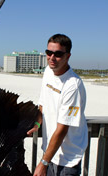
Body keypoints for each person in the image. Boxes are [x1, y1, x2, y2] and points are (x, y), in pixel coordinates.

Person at [27, 34, 88, 176]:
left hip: (67, 158)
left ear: (68, 56)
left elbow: (62, 129)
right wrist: (37, 123)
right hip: (50, 152)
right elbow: (43, 103)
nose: (52, 58)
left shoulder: (73, 85)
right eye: (49, 52)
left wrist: (43, 163)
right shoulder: (48, 71)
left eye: (58, 54)